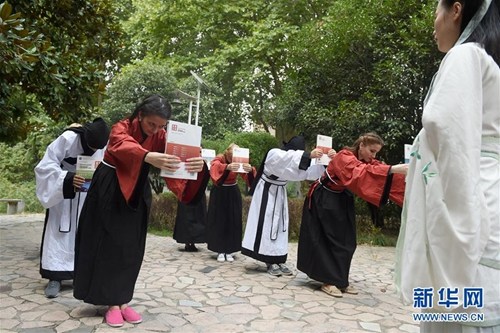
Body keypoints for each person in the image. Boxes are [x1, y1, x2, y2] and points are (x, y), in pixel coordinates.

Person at [395, 0, 500, 331]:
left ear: (456, 10)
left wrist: (461, 227)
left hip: (474, 202)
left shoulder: (465, 55)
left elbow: (448, 132)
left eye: (437, 10)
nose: (434, 22)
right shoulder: (493, 66)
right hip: (492, 192)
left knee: (456, 306)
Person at [73, 94, 208, 328]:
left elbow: (180, 154)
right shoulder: (120, 127)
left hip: (137, 190)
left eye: (161, 126)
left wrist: (197, 162)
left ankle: (123, 300)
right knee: (109, 243)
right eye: (151, 124)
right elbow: (121, 145)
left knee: (131, 246)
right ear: (140, 115)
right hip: (110, 188)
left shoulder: (162, 136)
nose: (156, 131)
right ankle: (111, 303)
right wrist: (146, 155)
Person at [297, 132, 407, 297]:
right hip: (324, 198)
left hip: (342, 198)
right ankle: (328, 281)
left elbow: (376, 170)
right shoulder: (344, 156)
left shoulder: (366, 161)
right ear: (361, 146)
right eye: (372, 151)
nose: (374, 156)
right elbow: (360, 172)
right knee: (329, 239)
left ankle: (340, 280)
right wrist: (391, 169)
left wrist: (400, 174)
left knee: (347, 240)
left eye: (376, 152)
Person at [34, 118, 110, 298]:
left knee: (84, 233)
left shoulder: (104, 146)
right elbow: (45, 166)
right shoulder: (68, 138)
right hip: (63, 194)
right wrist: (67, 179)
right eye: (91, 147)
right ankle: (54, 277)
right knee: (59, 233)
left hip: (86, 195)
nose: (93, 151)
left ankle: (80, 275)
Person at [241, 135, 325, 276]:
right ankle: (268, 260)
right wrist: (308, 155)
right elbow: (287, 160)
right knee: (267, 225)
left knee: (280, 226)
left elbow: (308, 172)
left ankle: (278, 258)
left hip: (279, 192)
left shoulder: (295, 160)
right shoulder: (274, 154)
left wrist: (325, 160)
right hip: (266, 193)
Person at [206, 143, 255, 262]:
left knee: (233, 220)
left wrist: (249, 170)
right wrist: (226, 167)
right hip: (219, 192)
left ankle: (230, 250)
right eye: (232, 154)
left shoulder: (240, 161)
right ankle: (220, 250)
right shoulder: (220, 158)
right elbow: (215, 167)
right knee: (219, 220)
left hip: (233, 192)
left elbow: (248, 176)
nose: (234, 156)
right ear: (227, 152)